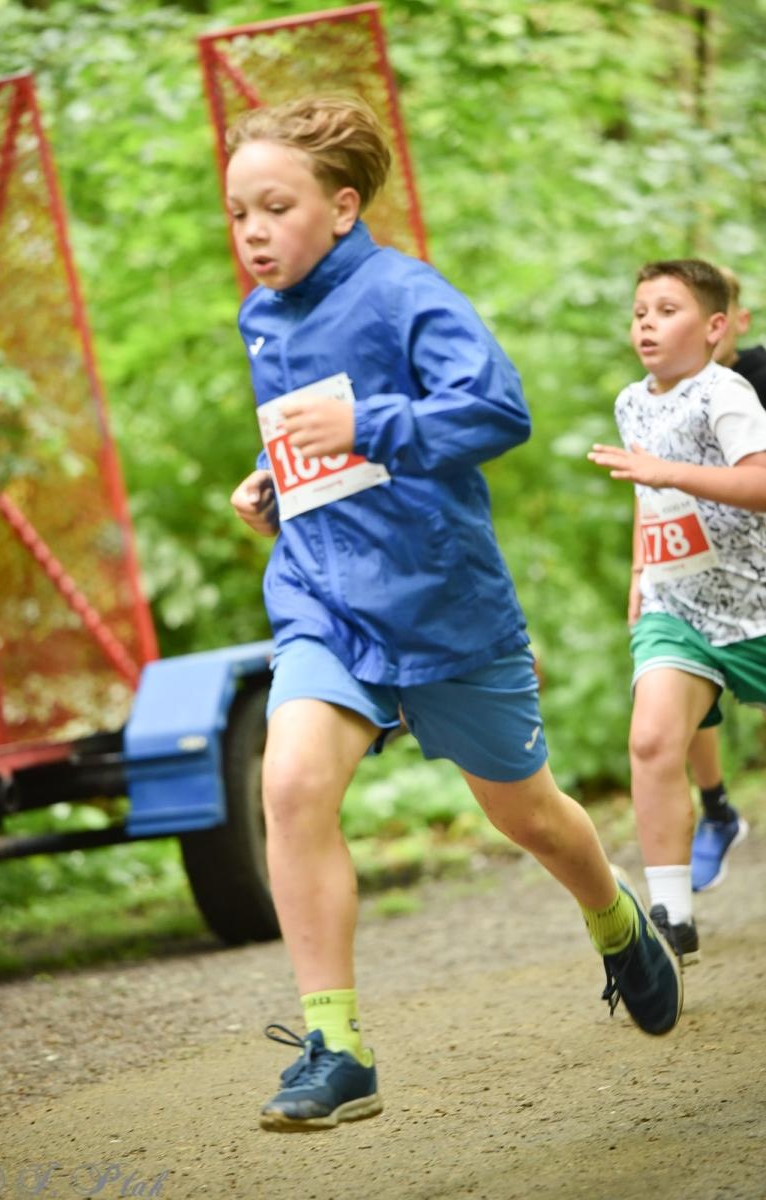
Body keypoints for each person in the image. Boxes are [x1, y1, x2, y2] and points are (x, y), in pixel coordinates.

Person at [226, 95, 682, 1134]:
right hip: (324, 601)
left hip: (440, 605)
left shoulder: (404, 294)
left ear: (343, 208)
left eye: (276, 208)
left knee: (529, 818)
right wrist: (271, 480)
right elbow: (312, 436)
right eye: (239, 212)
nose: (253, 232)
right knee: (290, 785)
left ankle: (614, 918)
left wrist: (364, 421)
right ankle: (338, 1048)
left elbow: (494, 411)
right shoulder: (263, 316)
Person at [588, 258, 766, 964]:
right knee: (651, 742)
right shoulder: (631, 402)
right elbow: (648, 492)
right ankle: (670, 918)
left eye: (666, 311)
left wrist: (670, 472)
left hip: (755, 604)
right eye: (639, 313)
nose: (647, 325)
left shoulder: (726, 393)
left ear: (715, 327)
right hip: (678, 604)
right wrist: (641, 571)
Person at [686, 266, 764, 891]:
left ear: (734, 319)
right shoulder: (663, 392)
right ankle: (715, 811)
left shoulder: (755, 379)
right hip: (699, 571)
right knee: (677, 690)